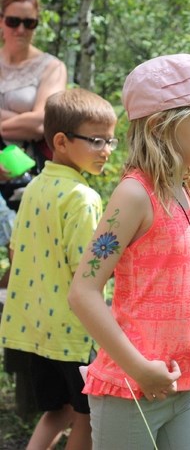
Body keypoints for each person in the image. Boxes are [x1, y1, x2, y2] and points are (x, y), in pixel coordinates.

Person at [67, 54, 190, 449]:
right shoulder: (135, 194)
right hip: (130, 389)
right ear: (160, 125)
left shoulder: (186, 188)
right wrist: (138, 368)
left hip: (181, 384)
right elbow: (83, 292)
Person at [0, 88, 117, 450]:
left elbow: (17, 251)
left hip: (33, 328)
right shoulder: (83, 197)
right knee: (88, 418)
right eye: (96, 141)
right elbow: (88, 269)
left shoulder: (34, 186)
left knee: (58, 411)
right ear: (62, 141)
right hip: (74, 333)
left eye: (111, 141)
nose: (107, 150)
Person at [0, 0, 68, 209]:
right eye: (13, 21)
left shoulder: (51, 67)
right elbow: (32, 119)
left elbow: (41, 123)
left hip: (26, 173)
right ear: (1, 21)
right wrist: (22, 117)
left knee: (21, 242)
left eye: (29, 23)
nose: (21, 29)